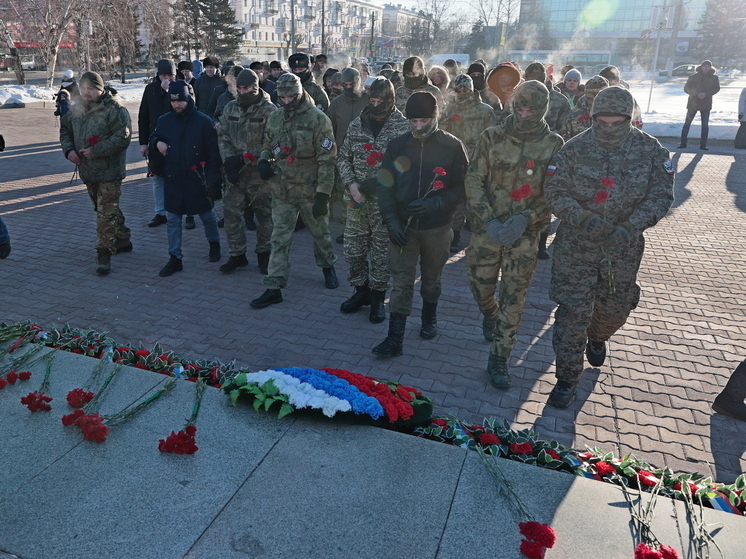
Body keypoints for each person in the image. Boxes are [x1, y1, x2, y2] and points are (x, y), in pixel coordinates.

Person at [543, 86, 675, 408]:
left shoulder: (651, 151)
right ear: (594, 117)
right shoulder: (573, 150)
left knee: (614, 309)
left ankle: (599, 335)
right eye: (604, 120)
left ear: (630, 119)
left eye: (618, 122)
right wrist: (582, 218)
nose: (610, 127)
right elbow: (554, 190)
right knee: (573, 312)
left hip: (622, 249)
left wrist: (631, 226)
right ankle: (567, 377)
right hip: (577, 246)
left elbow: (661, 195)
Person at [464, 81, 564, 388]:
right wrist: (489, 221)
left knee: (514, 297)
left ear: (542, 110)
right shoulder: (492, 136)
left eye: (530, 110)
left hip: (524, 236)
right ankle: (489, 314)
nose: (523, 115)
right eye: (518, 108)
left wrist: (527, 218)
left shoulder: (553, 144)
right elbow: (473, 180)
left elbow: (556, 192)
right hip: (487, 230)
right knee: (480, 286)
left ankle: (500, 358)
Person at [373, 91, 467, 357]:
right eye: (413, 121)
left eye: (424, 121)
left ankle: (429, 317)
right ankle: (394, 339)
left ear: (435, 117)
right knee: (401, 282)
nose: (418, 127)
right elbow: (384, 184)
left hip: (437, 227)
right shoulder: (398, 145)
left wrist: (435, 203)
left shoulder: (451, 146)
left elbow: (462, 188)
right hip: (403, 226)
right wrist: (391, 220)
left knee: (431, 279)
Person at [250, 73, 339, 309]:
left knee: (321, 234)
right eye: (283, 96)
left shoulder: (318, 119)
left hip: (311, 191)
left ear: (300, 93)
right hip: (283, 191)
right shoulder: (276, 117)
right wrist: (263, 161)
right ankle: (274, 286)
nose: (287, 101)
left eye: (292, 96)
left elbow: (327, 159)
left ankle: (328, 267)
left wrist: (323, 194)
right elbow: (268, 146)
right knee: (279, 238)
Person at [337, 77, 410, 323]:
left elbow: (408, 165)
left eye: (381, 101)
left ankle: (378, 298)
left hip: (386, 205)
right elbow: (343, 157)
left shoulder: (402, 126)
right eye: (373, 100)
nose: (376, 105)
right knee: (353, 251)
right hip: (357, 202)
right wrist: (351, 183)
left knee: (381, 254)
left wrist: (383, 180)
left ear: (390, 100)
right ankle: (361, 292)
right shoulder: (358, 124)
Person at [60, 71, 132, 276]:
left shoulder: (115, 110)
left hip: (110, 171)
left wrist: (95, 151)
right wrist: (69, 150)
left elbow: (122, 138)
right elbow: (65, 130)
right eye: (83, 88)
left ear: (101, 89)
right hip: (88, 171)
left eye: (90, 88)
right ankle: (123, 238)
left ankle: (104, 254)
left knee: (105, 212)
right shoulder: (77, 109)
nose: (86, 92)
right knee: (103, 209)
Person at [149, 80, 222, 277]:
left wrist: (215, 182)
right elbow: (154, 136)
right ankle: (175, 258)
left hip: (198, 178)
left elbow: (215, 156)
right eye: (173, 101)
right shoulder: (164, 121)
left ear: (188, 99)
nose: (176, 105)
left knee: (207, 216)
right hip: (174, 179)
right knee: (173, 219)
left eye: (180, 101)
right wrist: (157, 143)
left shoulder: (203, 122)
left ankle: (214, 243)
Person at [218, 69, 277, 275]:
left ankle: (264, 253)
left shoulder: (269, 111)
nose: (242, 92)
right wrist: (229, 161)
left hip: (258, 176)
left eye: (246, 88)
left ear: (255, 87)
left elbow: (273, 144)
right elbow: (223, 136)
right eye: (239, 88)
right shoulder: (230, 108)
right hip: (235, 174)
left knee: (265, 216)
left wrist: (244, 158)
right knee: (231, 215)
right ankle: (237, 255)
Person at [441, 73, 496, 253]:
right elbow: (441, 133)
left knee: (476, 202)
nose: (463, 91)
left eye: (466, 88)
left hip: (477, 163)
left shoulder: (485, 111)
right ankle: (455, 236)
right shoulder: (448, 109)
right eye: (459, 88)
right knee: (455, 202)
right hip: (454, 162)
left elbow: (492, 138)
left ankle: (478, 237)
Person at [326, 67, 369, 241]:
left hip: (366, 155)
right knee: (346, 193)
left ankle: (367, 229)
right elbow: (330, 129)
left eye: (352, 84)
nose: (349, 88)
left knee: (365, 193)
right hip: (344, 155)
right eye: (345, 85)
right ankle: (349, 229)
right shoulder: (337, 103)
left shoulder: (368, 100)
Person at [138, 59, 177, 228]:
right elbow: (143, 117)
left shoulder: (182, 88)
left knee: (178, 178)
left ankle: (181, 211)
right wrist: (143, 143)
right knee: (158, 179)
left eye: (170, 75)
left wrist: (169, 92)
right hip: (155, 141)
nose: (167, 78)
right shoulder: (150, 90)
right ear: (158, 75)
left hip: (176, 141)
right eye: (163, 75)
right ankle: (160, 212)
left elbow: (186, 109)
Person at [679, 60, 720, 150]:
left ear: (710, 68)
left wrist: (706, 94)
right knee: (687, 124)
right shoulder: (693, 77)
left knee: (705, 125)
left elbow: (716, 88)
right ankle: (683, 143)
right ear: (701, 67)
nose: (706, 68)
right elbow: (686, 88)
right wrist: (696, 93)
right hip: (693, 103)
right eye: (704, 66)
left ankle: (703, 145)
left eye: (708, 66)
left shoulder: (714, 78)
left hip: (706, 103)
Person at [523, 62, 570, 133]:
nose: (534, 79)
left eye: (539, 76)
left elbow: (565, 128)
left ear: (544, 77)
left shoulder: (560, 100)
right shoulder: (517, 97)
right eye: (531, 76)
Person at [561, 75, 609, 140]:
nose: (595, 98)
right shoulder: (573, 117)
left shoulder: (616, 115)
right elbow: (565, 143)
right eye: (592, 94)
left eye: (599, 94)